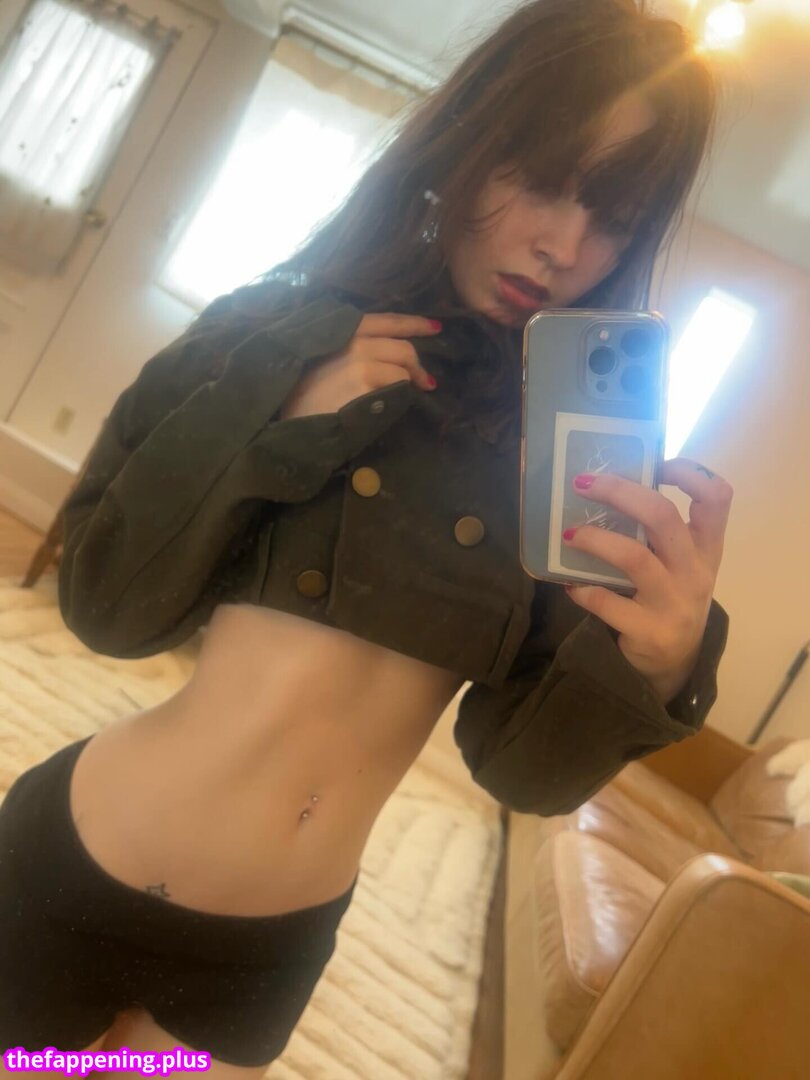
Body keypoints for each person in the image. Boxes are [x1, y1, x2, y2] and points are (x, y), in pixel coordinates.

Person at [0, 0, 733, 1075]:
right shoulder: (273, 334)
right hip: (75, 868)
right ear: (468, 140)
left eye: (614, 216)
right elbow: (106, 608)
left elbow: (520, 775)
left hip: (263, 956)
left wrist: (653, 665)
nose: (565, 245)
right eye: (539, 176)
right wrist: (277, 426)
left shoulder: (566, 465)